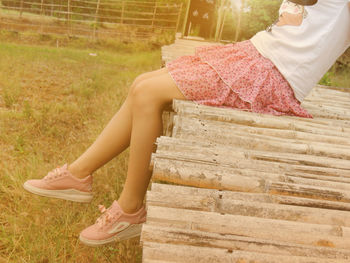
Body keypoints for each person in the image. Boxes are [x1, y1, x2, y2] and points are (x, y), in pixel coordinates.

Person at [23, 0, 350, 247]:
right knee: (142, 83)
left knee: (150, 94)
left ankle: (130, 209)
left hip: (273, 76)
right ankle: (78, 174)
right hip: (256, 53)